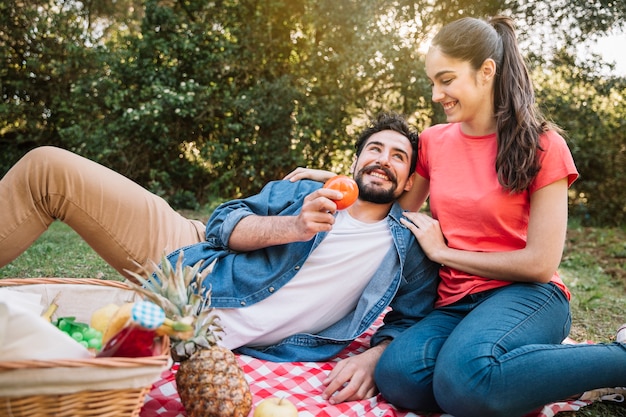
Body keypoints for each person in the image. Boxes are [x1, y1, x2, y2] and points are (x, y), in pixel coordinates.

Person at [286, 16, 626, 417]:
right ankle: (528, 377)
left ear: (486, 71)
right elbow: (397, 201)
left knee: (465, 382)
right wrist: (335, 179)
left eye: (445, 80)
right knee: (400, 379)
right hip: (454, 302)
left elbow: (540, 264)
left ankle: (618, 356)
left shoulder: (544, 145)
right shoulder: (434, 142)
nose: (436, 94)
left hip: (530, 296)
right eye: (433, 82)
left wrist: (445, 254)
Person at [0, 112, 439, 404]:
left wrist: (370, 358)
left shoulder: (407, 247)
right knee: (49, 169)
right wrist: (294, 226)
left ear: (406, 184)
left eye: (399, 156)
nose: (384, 160)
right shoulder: (309, 193)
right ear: (356, 162)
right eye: (375, 150)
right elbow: (222, 221)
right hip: (193, 258)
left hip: (191, 325)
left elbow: (411, 318)